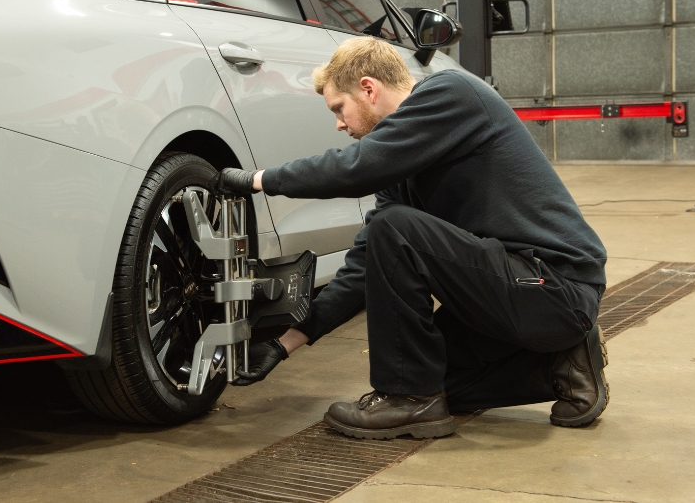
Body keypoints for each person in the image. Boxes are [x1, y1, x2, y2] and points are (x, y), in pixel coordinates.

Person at [211, 35, 609, 440]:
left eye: (339, 108)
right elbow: (363, 266)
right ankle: (562, 364)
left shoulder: (452, 93)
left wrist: (260, 180)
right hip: (513, 295)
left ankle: (408, 399)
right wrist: (284, 345)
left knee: (394, 232)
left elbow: (357, 167)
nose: (339, 123)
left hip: (554, 286)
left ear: (368, 88)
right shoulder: (403, 173)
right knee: (439, 382)